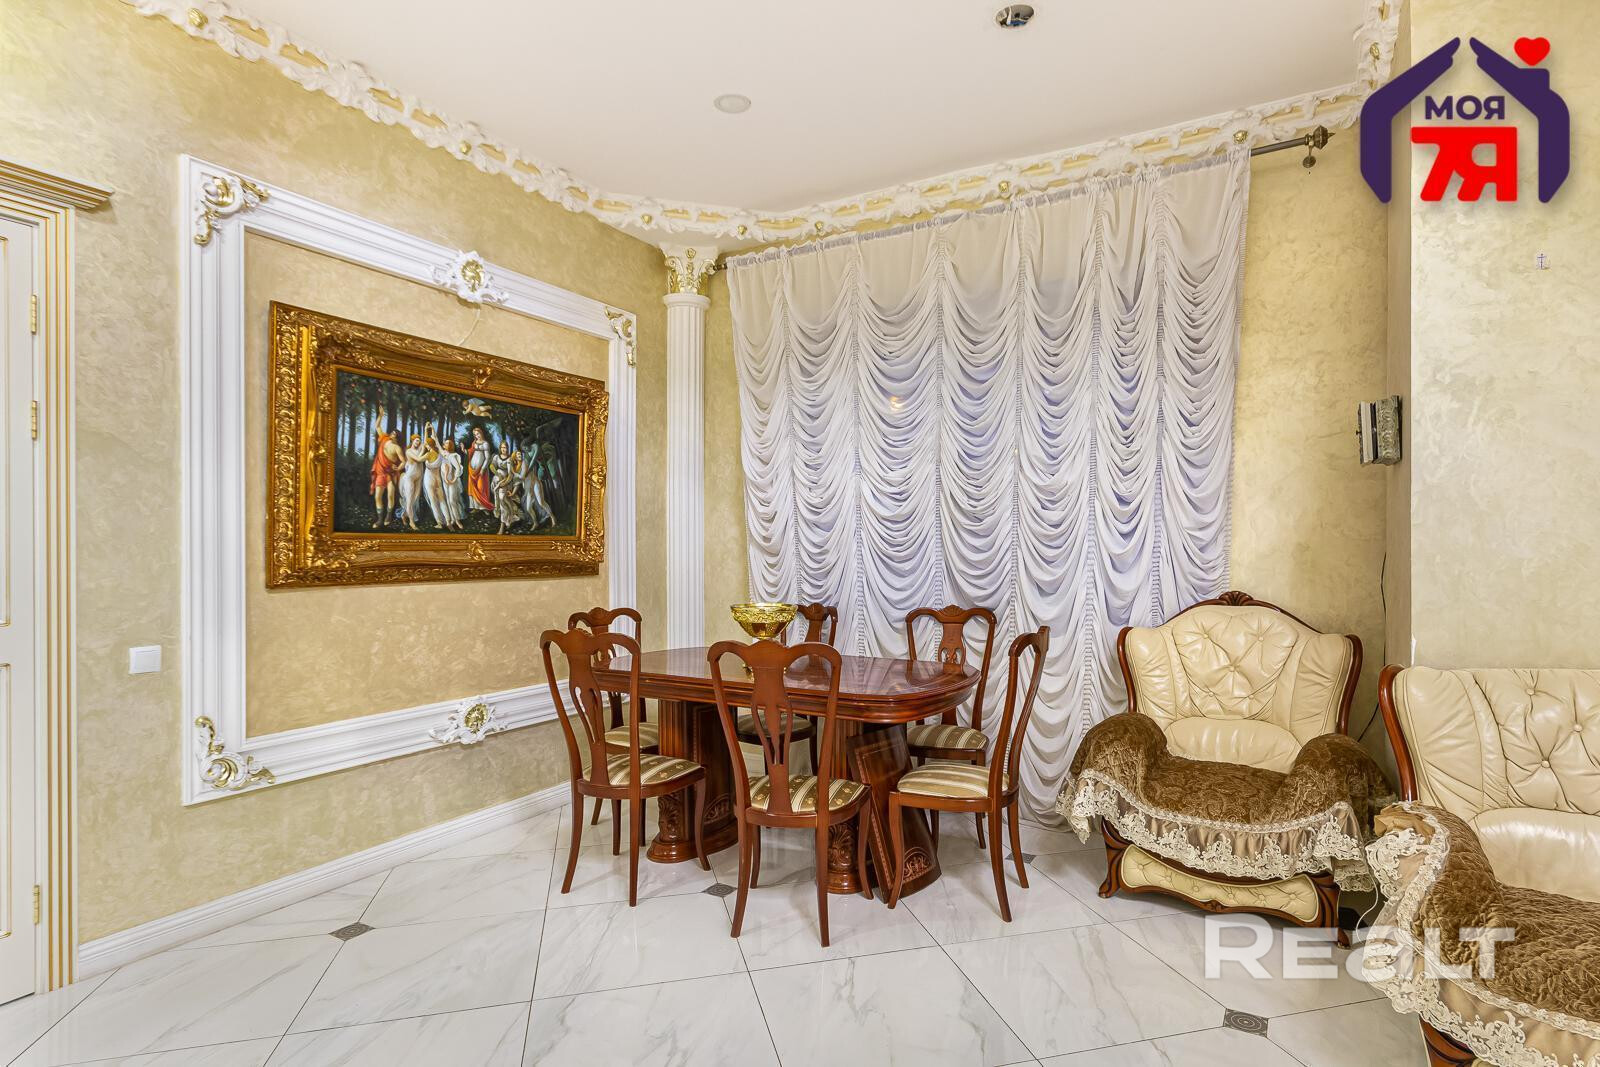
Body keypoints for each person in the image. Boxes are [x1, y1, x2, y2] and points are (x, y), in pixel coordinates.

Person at [370, 425, 405, 528]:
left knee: (390, 495)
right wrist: (381, 417)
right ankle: (380, 519)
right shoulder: (384, 439)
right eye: (392, 432)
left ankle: (388, 516)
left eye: (394, 434)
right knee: (377, 496)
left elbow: (403, 461)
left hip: (391, 474)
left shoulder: (397, 448)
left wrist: (398, 468)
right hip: (381, 472)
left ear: (397, 437)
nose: (391, 434)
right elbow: (377, 426)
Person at [490, 441, 525, 534]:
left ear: (507, 448)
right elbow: (492, 466)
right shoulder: (496, 457)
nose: (503, 449)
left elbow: (510, 474)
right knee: (501, 502)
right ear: (500, 448)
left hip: (506, 483)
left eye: (505, 448)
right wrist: (497, 474)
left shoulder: (509, 459)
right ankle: (509, 518)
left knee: (502, 500)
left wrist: (504, 483)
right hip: (496, 482)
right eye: (502, 447)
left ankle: (502, 525)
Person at [521, 445, 555, 529]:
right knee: (528, 508)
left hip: (535, 483)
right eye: (517, 456)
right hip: (528, 487)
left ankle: (553, 518)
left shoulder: (525, 462)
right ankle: (535, 523)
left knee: (541, 502)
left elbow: (524, 475)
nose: (518, 457)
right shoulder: (515, 467)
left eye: (519, 455)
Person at [399, 434, 427, 531]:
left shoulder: (420, 449)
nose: (418, 442)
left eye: (419, 441)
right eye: (416, 440)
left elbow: (425, 442)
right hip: (409, 478)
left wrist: (426, 430)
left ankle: (404, 515)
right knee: (410, 500)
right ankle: (411, 522)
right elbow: (418, 459)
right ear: (412, 441)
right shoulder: (409, 451)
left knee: (414, 500)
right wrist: (426, 455)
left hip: (418, 478)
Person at [422, 432, 448, 530]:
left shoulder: (428, 454)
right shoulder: (439, 454)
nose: (425, 446)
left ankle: (440, 523)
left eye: (426, 445)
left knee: (433, 501)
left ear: (429, 445)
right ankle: (448, 520)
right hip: (438, 479)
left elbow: (417, 459)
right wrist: (429, 430)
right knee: (442, 500)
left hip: (429, 479)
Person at [438, 438, 465, 530]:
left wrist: (454, 479)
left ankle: (457, 520)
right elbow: (438, 444)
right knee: (448, 500)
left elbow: (458, 468)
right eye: (445, 443)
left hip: (451, 481)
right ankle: (453, 519)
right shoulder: (443, 454)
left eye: (447, 443)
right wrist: (434, 435)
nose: (445, 444)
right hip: (445, 480)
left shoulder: (452, 456)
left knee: (452, 501)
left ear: (450, 446)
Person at [465, 426, 494, 512]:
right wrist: (464, 450)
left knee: (480, 487)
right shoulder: (474, 442)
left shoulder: (485, 444)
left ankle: (483, 507)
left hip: (481, 470)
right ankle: (475, 507)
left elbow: (487, 458)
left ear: (481, 433)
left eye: (478, 434)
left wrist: (483, 469)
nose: (477, 436)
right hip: (472, 469)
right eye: (475, 434)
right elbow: (470, 452)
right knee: (472, 487)